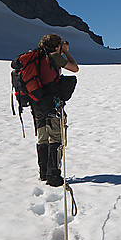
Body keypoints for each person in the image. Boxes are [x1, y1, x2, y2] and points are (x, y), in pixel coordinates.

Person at [32, 34, 79, 187]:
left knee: (42, 137)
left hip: (36, 102)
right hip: (51, 102)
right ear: (55, 46)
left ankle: (43, 173)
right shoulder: (54, 57)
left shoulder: (36, 57)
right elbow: (74, 68)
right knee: (56, 137)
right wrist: (65, 52)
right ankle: (53, 175)